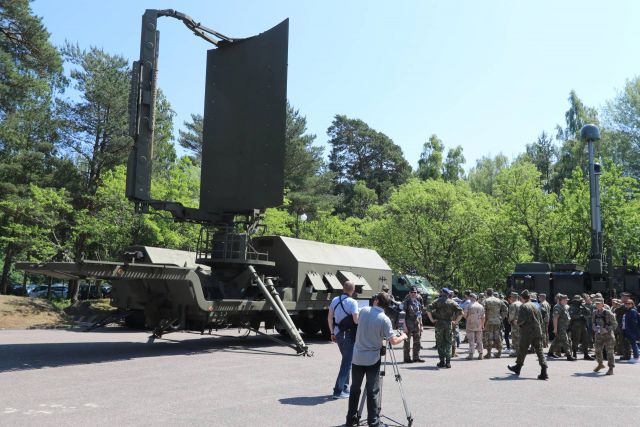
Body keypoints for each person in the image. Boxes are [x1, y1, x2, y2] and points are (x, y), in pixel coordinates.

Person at [345, 292, 407, 427]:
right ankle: (373, 421)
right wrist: (403, 336)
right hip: (372, 359)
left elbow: (356, 320)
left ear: (377, 301)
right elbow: (393, 341)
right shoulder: (385, 319)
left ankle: (350, 419)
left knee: (355, 388)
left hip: (357, 357)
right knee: (372, 390)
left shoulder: (364, 311)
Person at [328, 280, 359, 399]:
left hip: (337, 333)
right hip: (348, 335)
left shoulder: (335, 300)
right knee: (347, 363)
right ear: (353, 290)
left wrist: (332, 332)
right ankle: (338, 391)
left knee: (347, 361)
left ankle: (345, 388)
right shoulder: (353, 302)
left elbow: (330, 317)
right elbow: (356, 320)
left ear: (343, 289)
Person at [507, 290, 548, 380]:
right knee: (539, 351)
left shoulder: (524, 306)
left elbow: (521, 320)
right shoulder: (536, 306)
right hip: (537, 331)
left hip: (527, 332)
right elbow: (541, 320)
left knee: (522, 349)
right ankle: (544, 370)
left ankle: (518, 367)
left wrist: (517, 323)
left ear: (522, 297)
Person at [427, 288, 463, 368]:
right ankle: (448, 362)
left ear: (442, 293)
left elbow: (428, 309)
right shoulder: (452, 302)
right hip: (448, 324)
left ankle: (442, 361)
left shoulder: (437, 301)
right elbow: (461, 313)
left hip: (439, 324)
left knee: (440, 343)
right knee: (448, 343)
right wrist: (456, 322)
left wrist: (431, 319)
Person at [592, 297, 617, 375]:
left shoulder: (608, 313)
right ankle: (600, 364)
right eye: (596, 303)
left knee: (609, 352)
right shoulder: (594, 312)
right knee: (597, 350)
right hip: (598, 335)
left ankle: (611, 368)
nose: (597, 305)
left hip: (608, 336)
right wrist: (594, 327)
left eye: (599, 303)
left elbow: (615, 324)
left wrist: (607, 329)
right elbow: (593, 323)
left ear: (603, 304)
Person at [482, 288, 508, 358]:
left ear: (487, 293)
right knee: (497, 336)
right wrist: (501, 317)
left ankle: (489, 353)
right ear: (493, 293)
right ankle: (499, 352)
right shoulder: (499, 300)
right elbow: (505, 309)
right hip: (497, 321)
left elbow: (482, 311)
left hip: (488, 321)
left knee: (489, 336)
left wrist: (483, 320)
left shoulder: (485, 301)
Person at [548, 294, 575, 361]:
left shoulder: (563, 306)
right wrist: (555, 328)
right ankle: (569, 355)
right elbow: (555, 318)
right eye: (565, 300)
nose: (567, 301)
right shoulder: (557, 307)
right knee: (565, 340)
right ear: (561, 300)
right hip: (560, 328)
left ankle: (550, 352)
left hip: (564, 327)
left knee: (557, 340)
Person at [402, 286, 424, 363]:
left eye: (415, 292)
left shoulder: (418, 302)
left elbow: (419, 314)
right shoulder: (406, 302)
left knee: (417, 342)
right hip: (408, 324)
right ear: (409, 293)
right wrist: (404, 326)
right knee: (407, 342)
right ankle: (407, 358)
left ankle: (416, 357)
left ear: (416, 293)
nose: (413, 294)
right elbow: (402, 315)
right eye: (412, 292)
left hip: (416, 324)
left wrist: (421, 324)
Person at [568, 295, 594, 360]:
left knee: (585, 340)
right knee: (575, 340)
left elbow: (588, 313)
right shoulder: (571, 308)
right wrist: (580, 316)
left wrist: (583, 307)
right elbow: (571, 316)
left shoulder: (582, 307)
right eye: (579, 300)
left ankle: (586, 354)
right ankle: (574, 354)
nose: (580, 301)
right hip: (575, 326)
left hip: (583, 325)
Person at [463, 293, 485, 360]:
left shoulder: (468, 305)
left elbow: (465, 315)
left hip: (470, 324)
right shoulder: (481, 306)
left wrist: (468, 318)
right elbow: (483, 317)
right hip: (479, 324)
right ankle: (481, 354)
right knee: (479, 340)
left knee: (471, 340)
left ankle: (471, 355)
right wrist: (482, 325)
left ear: (471, 297)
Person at [614, 293, 632, 360]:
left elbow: (617, 311)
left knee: (626, 341)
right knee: (622, 341)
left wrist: (620, 306)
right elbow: (616, 311)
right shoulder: (622, 305)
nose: (622, 298)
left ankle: (627, 355)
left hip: (627, 326)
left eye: (623, 297)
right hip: (621, 326)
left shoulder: (629, 305)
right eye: (622, 297)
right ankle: (625, 354)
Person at [507, 292, 522, 357]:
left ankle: (517, 352)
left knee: (515, 337)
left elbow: (511, 315)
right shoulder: (521, 303)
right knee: (520, 337)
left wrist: (509, 320)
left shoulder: (513, 305)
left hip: (515, 323)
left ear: (513, 297)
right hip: (522, 323)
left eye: (511, 297)